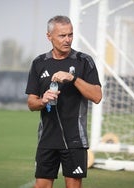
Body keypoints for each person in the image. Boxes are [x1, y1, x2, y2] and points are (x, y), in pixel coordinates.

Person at [25, 15, 102, 188]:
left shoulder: (84, 61)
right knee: (41, 186)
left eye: (70, 35)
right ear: (49, 36)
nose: (67, 40)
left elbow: (97, 96)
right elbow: (31, 103)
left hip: (75, 138)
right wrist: (43, 100)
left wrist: (73, 78)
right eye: (62, 35)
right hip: (47, 138)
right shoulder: (39, 63)